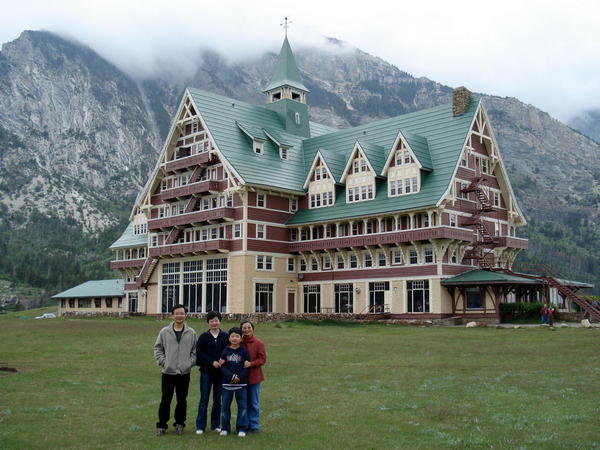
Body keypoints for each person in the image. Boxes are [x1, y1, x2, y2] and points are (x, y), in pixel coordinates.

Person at [153, 304, 197, 436]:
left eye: (182, 313)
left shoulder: (191, 332)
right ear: (172, 315)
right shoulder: (164, 332)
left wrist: (189, 364)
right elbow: (158, 348)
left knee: (182, 399)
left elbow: (194, 351)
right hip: (168, 372)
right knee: (165, 399)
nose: (179, 315)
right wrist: (164, 363)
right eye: (177, 313)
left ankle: (179, 423)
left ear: (185, 315)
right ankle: (162, 425)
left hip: (184, 372)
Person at [195, 311, 229, 435]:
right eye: (211, 321)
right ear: (208, 323)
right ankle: (200, 425)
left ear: (220, 321)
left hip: (220, 373)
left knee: (217, 400)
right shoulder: (203, 336)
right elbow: (200, 353)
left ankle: (215, 424)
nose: (214, 323)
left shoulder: (225, 336)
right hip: (206, 372)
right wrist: (211, 362)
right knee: (204, 399)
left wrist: (222, 359)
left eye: (216, 320)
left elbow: (229, 349)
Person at [219, 327, 249, 437]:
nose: (235, 338)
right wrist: (231, 376)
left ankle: (241, 428)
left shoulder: (244, 351)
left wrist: (239, 377)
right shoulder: (225, 351)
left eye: (237, 336)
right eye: (232, 336)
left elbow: (246, 367)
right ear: (229, 338)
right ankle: (225, 428)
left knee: (242, 407)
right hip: (227, 384)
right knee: (225, 407)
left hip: (241, 384)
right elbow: (222, 366)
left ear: (241, 338)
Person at [240, 320, 267, 434]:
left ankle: (254, 425)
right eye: (244, 328)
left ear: (252, 329)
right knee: (243, 402)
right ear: (241, 329)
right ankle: (244, 424)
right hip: (242, 378)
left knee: (254, 402)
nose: (247, 330)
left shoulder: (259, 343)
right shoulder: (238, 342)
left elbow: (262, 359)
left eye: (249, 327)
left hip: (255, 376)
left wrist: (251, 364)